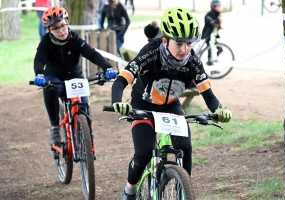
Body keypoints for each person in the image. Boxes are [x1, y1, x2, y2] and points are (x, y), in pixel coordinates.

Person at [110, 7, 232, 200]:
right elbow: (121, 80)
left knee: (185, 147)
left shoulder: (192, 60)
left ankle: (183, 190)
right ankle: (130, 189)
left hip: (170, 106)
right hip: (143, 104)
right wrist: (117, 102)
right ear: (165, 40)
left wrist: (219, 109)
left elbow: (208, 94)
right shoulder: (151, 52)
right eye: (179, 44)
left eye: (189, 44)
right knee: (143, 154)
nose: (185, 50)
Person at [33, 6, 117, 146]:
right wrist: (40, 74)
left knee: (83, 106)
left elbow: (92, 53)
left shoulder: (75, 39)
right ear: (49, 30)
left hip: (75, 78)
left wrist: (107, 67)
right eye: (55, 28)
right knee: (50, 89)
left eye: (63, 26)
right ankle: (54, 127)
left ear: (67, 22)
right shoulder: (45, 43)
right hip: (55, 78)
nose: (61, 31)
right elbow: (39, 60)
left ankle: (88, 135)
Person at [201, 0, 223, 65]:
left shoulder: (216, 14)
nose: (219, 8)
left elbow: (217, 26)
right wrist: (219, 21)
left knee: (219, 49)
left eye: (220, 6)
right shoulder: (210, 14)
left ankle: (211, 62)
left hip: (212, 36)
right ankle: (211, 64)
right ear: (213, 7)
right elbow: (212, 23)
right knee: (211, 50)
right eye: (218, 6)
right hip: (208, 35)